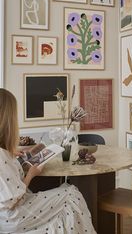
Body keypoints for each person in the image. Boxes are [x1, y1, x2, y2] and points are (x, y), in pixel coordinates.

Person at [0, 88, 96, 234]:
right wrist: (31, 174)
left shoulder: (4, 152)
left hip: (10, 215)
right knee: (71, 194)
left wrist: (18, 156)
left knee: (68, 193)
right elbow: (13, 200)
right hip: (15, 217)